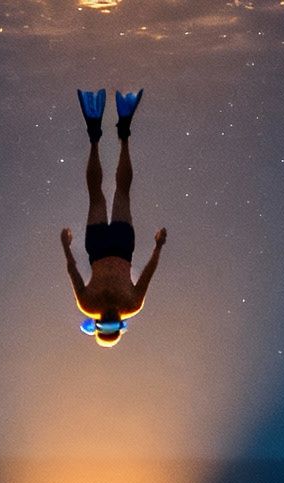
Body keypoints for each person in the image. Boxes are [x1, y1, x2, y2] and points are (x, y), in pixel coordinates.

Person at [61, 88, 166, 347]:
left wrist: (66, 247)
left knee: (96, 196)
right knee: (122, 193)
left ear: (97, 325)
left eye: (104, 325)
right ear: (121, 325)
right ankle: (124, 133)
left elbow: (72, 272)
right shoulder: (132, 304)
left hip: (96, 249)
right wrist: (158, 247)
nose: (110, 318)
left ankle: (94, 135)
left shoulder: (87, 304)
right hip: (121, 248)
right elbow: (148, 275)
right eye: (114, 325)